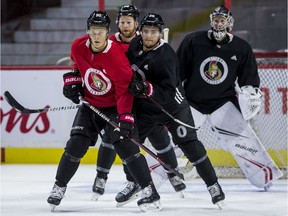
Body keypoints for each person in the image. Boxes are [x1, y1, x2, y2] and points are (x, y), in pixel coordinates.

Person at [47, 10, 162, 212]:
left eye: (101, 31)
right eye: (93, 30)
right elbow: (78, 67)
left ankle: (149, 191)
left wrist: (125, 118)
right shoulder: (78, 46)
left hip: (115, 107)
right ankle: (59, 187)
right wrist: (72, 82)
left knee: (126, 147)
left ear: (107, 31)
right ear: (88, 31)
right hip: (90, 105)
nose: (97, 35)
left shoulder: (117, 57)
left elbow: (124, 92)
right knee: (75, 144)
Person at [176, 5, 282, 189]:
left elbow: (248, 79)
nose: (218, 24)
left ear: (229, 23)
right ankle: (149, 176)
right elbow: (177, 72)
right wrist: (174, 90)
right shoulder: (193, 41)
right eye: (215, 20)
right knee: (174, 138)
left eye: (222, 20)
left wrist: (250, 93)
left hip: (222, 103)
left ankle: (265, 178)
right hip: (192, 102)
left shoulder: (241, 47)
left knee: (243, 140)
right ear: (211, 21)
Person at [126, 12, 225, 208]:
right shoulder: (135, 45)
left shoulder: (166, 57)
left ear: (160, 34)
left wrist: (146, 88)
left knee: (190, 145)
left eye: (153, 32)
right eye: (145, 31)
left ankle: (213, 185)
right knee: (127, 141)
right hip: (148, 108)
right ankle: (137, 184)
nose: (148, 36)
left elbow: (169, 93)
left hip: (173, 108)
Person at [92, 5, 186, 206]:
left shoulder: (141, 41)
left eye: (129, 21)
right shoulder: (110, 42)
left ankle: (172, 172)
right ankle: (122, 180)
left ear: (136, 24)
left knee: (160, 138)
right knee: (120, 140)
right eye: (122, 21)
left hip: (148, 102)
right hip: (126, 101)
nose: (125, 25)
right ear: (117, 23)